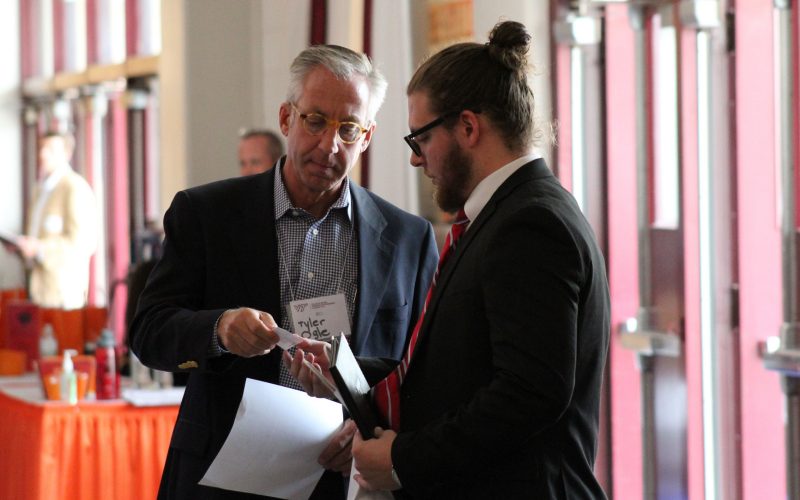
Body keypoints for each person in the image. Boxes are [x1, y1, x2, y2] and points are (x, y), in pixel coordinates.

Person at [287, 21, 610, 499]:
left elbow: (528, 394)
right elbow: (462, 368)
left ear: (468, 127)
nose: (417, 160)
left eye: (420, 139)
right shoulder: (506, 215)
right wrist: (346, 372)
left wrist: (402, 460)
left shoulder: (530, 224)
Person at [129, 44, 439, 499]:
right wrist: (219, 328)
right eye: (315, 120)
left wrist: (361, 424)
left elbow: (423, 374)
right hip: (225, 475)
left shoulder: (407, 239)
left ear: (367, 137)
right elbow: (148, 332)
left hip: (348, 478)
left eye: (348, 129)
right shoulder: (207, 214)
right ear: (286, 118)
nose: (328, 144)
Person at [4, 131, 98, 309]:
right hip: (37, 289)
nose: (43, 155)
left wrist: (39, 248)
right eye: (42, 149)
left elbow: (83, 243)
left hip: (63, 294)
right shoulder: (40, 190)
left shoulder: (74, 188)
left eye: (50, 149)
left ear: (67, 154)